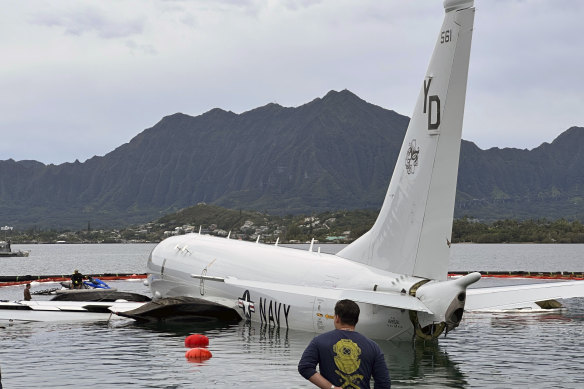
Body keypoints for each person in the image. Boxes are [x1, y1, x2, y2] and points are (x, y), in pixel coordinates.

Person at [298, 299, 391, 389]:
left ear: (337, 318)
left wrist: (331, 387)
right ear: (356, 320)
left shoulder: (319, 341)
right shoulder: (373, 347)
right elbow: (384, 383)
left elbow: (305, 367)